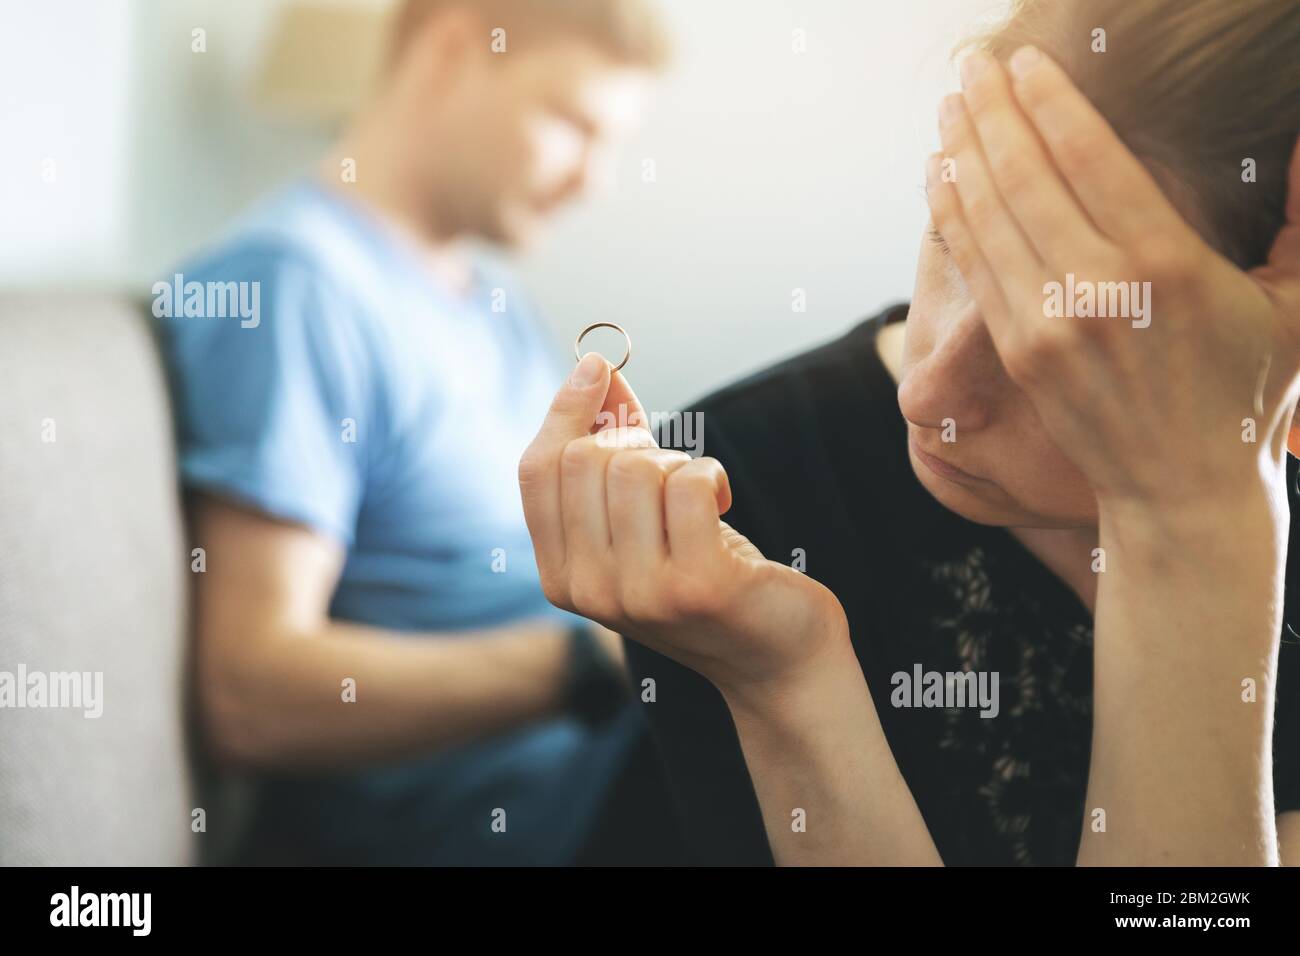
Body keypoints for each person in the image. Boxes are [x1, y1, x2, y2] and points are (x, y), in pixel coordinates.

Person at [517, 0, 1300, 864]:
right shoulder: (745, 491)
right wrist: (784, 689)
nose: (927, 397)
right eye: (951, 239)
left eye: (1069, 345)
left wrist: (1199, 521)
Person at [160, 0, 678, 865]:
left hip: (616, 769)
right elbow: (246, 691)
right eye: (571, 122)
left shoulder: (488, 302)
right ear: (450, 48)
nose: (594, 180)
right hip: (542, 822)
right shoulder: (292, 286)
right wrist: (591, 663)